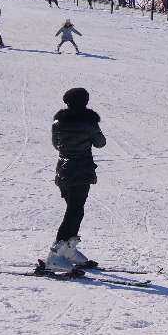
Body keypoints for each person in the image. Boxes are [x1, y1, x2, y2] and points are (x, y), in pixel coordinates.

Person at [43, 87, 106, 271]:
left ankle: (68, 250)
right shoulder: (89, 122)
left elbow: (56, 145)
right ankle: (55, 255)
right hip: (81, 171)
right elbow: (100, 143)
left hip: (63, 172)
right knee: (75, 211)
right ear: (85, 102)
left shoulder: (58, 122)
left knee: (74, 209)